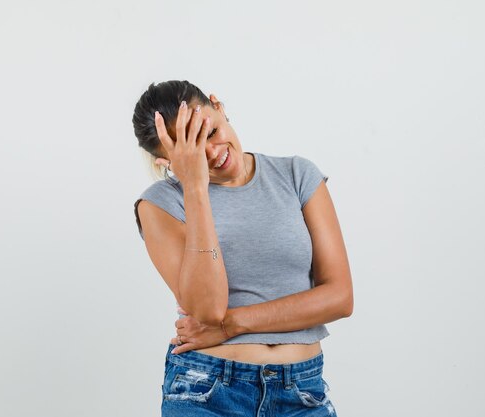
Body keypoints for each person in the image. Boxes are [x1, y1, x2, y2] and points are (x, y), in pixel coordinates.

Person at [132, 80, 353, 416]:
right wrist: (195, 188)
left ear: (218, 107)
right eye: (191, 151)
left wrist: (232, 325)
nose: (210, 152)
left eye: (210, 131)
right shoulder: (161, 204)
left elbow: (339, 297)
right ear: (166, 161)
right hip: (207, 391)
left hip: (302, 394)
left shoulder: (297, 176)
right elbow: (208, 308)